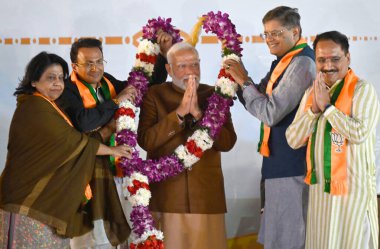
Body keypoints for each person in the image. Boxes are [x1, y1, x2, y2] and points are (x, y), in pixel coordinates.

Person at [0, 52, 132, 248]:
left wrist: (108, 130)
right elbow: (72, 142)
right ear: (34, 81)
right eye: (50, 78)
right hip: (28, 202)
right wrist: (114, 151)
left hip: (47, 203)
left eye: (61, 78)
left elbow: (73, 142)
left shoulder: (50, 106)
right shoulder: (34, 106)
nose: (57, 83)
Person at [56, 35, 172, 248]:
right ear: (74, 66)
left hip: (117, 170)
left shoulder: (106, 80)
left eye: (99, 61)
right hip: (86, 177)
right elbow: (84, 122)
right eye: (88, 63)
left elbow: (143, 88)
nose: (95, 68)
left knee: (120, 236)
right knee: (90, 238)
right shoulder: (66, 89)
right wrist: (117, 101)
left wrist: (163, 56)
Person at [224, 6, 316, 249]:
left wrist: (243, 80)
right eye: (266, 34)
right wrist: (236, 79)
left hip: (293, 164)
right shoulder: (284, 62)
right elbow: (258, 102)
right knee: (277, 239)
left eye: (276, 33)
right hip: (277, 165)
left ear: (295, 32)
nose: (270, 40)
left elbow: (270, 112)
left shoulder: (302, 64)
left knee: (290, 240)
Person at [137, 42, 237, 249]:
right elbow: (146, 141)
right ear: (169, 69)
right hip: (167, 196)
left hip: (206, 198)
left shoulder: (215, 95)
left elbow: (227, 143)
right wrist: (179, 113)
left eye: (194, 65)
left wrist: (201, 115)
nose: (190, 71)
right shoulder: (155, 95)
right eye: (182, 66)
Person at [286, 31, 379, 249]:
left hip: (352, 193)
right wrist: (313, 111)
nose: (328, 66)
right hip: (321, 193)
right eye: (321, 60)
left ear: (348, 58)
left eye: (335, 59)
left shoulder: (362, 90)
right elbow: (293, 139)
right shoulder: (313, 92)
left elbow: (358, 133)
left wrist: (328, 109)